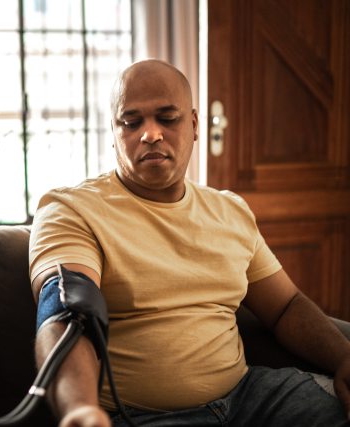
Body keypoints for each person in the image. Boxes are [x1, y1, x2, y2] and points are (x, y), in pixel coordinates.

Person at [29, 59, 350, 427]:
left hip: (252, 397)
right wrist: (80, 408)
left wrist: (343, 357)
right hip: (144, 417)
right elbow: (67, 312)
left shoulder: (230, 210)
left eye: (167, 118)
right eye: (131, 122)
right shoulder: (71, 209)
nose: (150, 134)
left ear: (194, 125)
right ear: (114, 132)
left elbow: (286, 306)